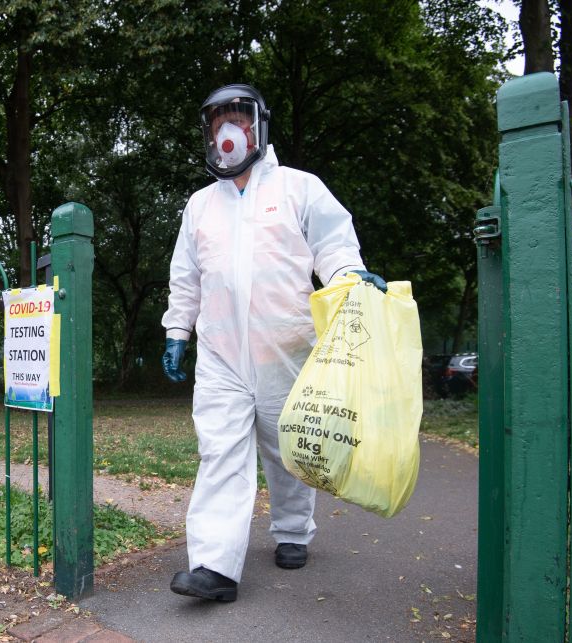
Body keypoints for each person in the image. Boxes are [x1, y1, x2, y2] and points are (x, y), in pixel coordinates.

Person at [162, 84, 386, 602]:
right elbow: (186, 276)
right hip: (221, 352)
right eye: (217, 122)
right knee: (219, 450)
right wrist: (178, 330)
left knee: (288, 446)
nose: (227, 132)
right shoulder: (199, 207)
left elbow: (332, 244)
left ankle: (291, 530)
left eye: (236, 120)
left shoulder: (298, 188)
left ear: (258, 127)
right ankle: (214, 565)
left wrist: (350, 277)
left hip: (287, 344)